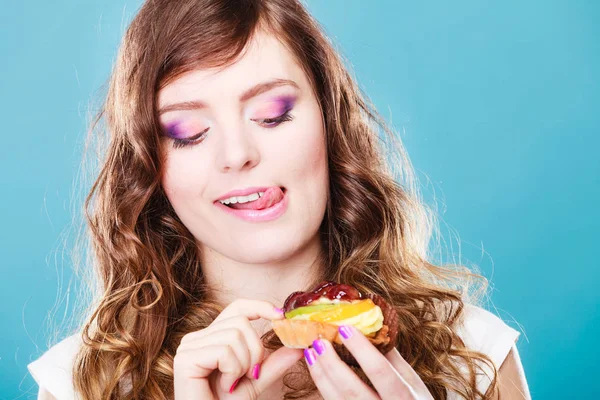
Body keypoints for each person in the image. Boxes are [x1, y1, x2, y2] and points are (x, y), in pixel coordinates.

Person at [27, 0, 530, 399]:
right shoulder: (85, 385)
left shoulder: (471, 354)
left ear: (330, 122)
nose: (237, 154)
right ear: (148, 166)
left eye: (271, 113)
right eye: (188, 132)